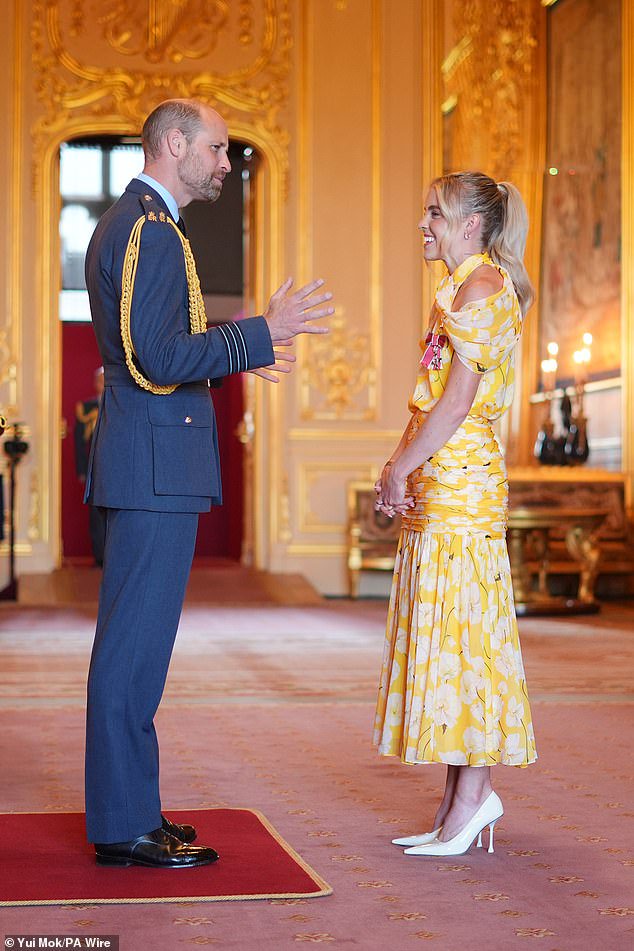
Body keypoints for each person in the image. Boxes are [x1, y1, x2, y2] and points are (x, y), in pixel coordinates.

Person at [83, 99, 333, 869]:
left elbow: (155, 350)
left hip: (148, 462)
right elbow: (157, 359)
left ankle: (132, 811)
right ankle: (124, 826)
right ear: (175, 143)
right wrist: (259, 330)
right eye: (219, 149)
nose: (227, 163)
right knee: (133, 653)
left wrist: (230, 355)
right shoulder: (151, 234)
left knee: (135, 652)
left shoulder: (137, 223)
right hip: (156, 469)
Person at [373, 171, 537, 858]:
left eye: (434, 213)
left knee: (467, 638)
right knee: (449, 636)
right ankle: (453, 805)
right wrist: (396, 464)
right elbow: (427, 401)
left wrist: (402, 468)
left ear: (472, 224)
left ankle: (474, 796)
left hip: (463, 489)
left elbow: (457, 403)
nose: (424, 223)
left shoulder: (481, 288)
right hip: (442, 481)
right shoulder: (461, 289)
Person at [74, 366, 106, 566]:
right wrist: (81, 469)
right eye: (101, 380)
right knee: (95, 515)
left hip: (119, 469)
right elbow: (79, 442)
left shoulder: (124, 405)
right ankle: (99, 556)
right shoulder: (86, 409)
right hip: (95, 470)